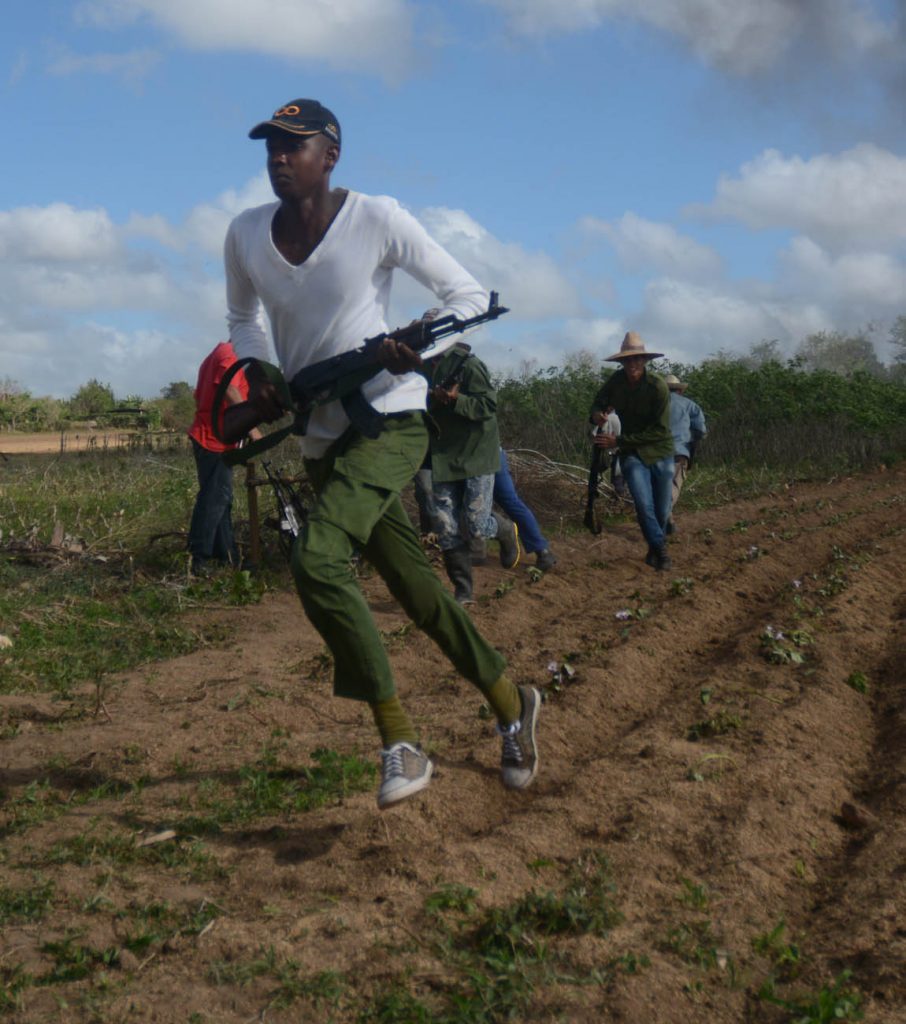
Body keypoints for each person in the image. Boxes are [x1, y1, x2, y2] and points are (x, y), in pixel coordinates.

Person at [224, 98, 540, 808]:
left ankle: (398, 738)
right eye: (271, 145)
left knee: (317, 559)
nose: (278, 156)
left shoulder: (378, 217)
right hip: (321, 439)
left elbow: (466, 295)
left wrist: (414, 342)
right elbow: (243, 317)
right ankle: (511, 702)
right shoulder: (244, 234)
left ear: (330, 155)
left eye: (294, 145)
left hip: (390, 420)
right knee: (420, 596)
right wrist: (262, 376)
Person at [424, 343, 520, 604]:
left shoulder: (469, 365)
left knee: (476, 525)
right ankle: (463, 591)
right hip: (443, 453)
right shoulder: (419, 367)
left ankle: (505, 529)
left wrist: (456, 399)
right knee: (445, 526)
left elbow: (488, 404)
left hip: (477, 452)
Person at [589, 331, 675, 571]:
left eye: (637, 360)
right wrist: (597, 414)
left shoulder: (658, 387)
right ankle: (661, 551)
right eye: (628, 360)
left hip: (660, 451)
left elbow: (660, 431)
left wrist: (618, 441)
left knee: (661, 508)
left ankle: (654, 547)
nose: (632, 364)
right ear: (622, 362)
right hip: (632, 454)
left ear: (644, 361)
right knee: (642, 504)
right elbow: (598, 403)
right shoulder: (615, 382)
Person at [186, 340, 259, 575]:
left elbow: (199, 397)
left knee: (221, 499)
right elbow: (228, 389)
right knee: (214, 499)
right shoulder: (230, 353)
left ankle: (228, 557)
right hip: (213, 439)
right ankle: (199, 559)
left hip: (214, 436)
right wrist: (252, 428)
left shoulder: (214, 355)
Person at [493, 449, 557, 571]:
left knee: (467, 504)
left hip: (475, 458)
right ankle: (543, 552)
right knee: (511, 502)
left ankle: (503, 530)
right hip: (494, 453)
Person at [664, 373, 707, 534]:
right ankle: (666, 514)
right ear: (680, 391)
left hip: (655, 451)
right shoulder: (690, 405)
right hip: (679, 451)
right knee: (674, 484)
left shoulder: (654, 404)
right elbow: (701, 430)